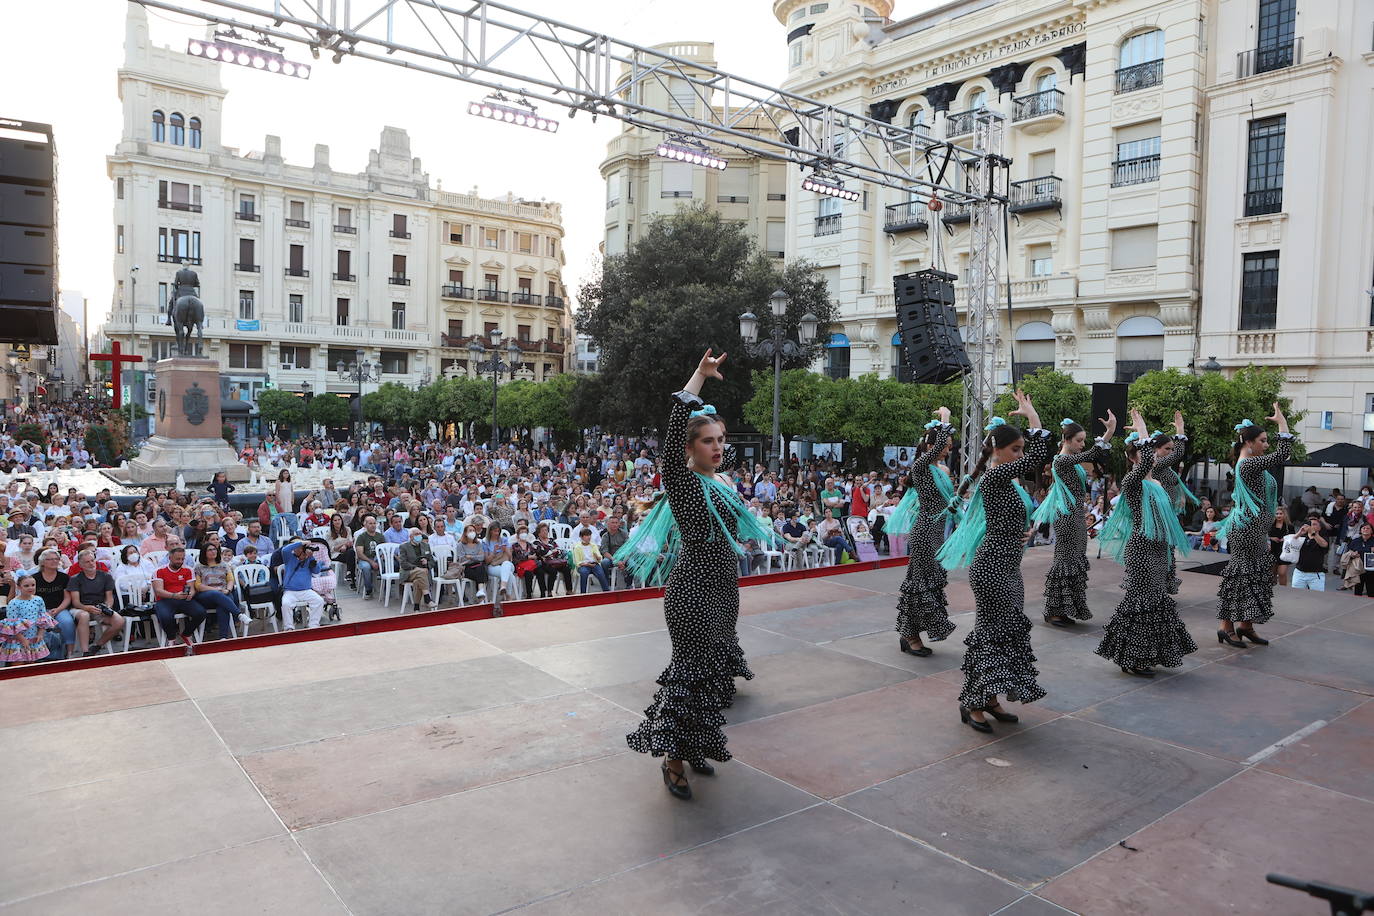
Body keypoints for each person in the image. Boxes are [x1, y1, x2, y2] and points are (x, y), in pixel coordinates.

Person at [626, 350, 777, 800]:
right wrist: (698, 378)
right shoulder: (685, 481)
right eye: (708, 441)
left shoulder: (722, 484)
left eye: (721, 439)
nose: (718, 447)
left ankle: (694, 745)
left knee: (712, 674)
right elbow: (671, 441)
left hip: (724, 591)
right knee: (690, 672)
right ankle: (672, 759)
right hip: (691, 591)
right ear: (691, 448)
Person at [938, 390, 1049, 732]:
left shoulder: (1009, 482)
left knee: (1005, 632)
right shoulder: (995, 476)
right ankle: (971, 702)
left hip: (1008, 565)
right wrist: (1033, 420)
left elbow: (1008, 517)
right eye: (1015, 449)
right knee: (990, 633)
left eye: (1021, 449)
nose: (1021, 455)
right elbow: (1040, 456)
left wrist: (1024, 533)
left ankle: (989, 698)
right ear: (998, 450)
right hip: (992, 568)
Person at [1094, 414, 1196, 677]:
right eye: (1144, 452)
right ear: (1134, 457)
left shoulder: (1158, 481)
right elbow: (1147, 461)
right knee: (1142, 601)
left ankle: (1144, 653)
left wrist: (1179, 430)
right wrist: (1142, 432)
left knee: (1155, 601)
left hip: (1159, 548)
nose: (1150, 456)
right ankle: (1131, 656)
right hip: (1142, 549)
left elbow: (1167, 458)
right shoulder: (1132, 481)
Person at [1215, 406, 1293, 647]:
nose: (1266, 445)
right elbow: (1283, 454)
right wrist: (1283, 425)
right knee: (1240, 577)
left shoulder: (1254, 463)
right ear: (1248, 443)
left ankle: (1246, 625)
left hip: (1256, 531)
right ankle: (1225, 626)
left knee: (1256, 576)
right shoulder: (1247, 465)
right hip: (1246, 530)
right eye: (1263, 440)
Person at [1033, 412, 1116, 627]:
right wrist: (1108, 432)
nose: (1082, 444)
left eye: (1083, 440)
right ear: (1067, 440)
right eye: (1078, 440)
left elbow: (1090, 456)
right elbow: (1090, 454)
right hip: (1067, 517)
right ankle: (1053, 611)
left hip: (1076, 515)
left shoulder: (1072, 462)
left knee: (1074, 560)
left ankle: (1064, 609)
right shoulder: (1061, 460)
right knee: (1065, 560)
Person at [891, 408, 960, 656]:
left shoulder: (942, 471)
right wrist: (945, 419)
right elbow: (940, 440)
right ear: (931, 443)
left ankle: (909, 633)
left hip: (938, 532)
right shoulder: (920, 466)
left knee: (928, 584)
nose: (948, 449)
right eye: (946, 445)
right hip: (924, 532)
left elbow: (947, 502)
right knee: (919, 585)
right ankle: (909, 636)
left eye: (950, 446)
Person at [66, 548, 124, 655]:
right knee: (84, 616)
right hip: (81, 607)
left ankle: (97, 645)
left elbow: (109, 598)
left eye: (92, 560)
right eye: (87, 562)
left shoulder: (105, 576)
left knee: (119, 621)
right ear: (80, 565)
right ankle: (85, 651)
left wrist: (107, 607)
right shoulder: (75, 579)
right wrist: (86, 608)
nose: (91, 563)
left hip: (99, 607)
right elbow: (76, 602)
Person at [152, 546, 205, 650]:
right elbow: (158, 591)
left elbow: (191, 588)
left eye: (182, 559)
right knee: (165, 616)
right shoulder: (159, 571)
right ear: (170, 558)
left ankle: (186, 634)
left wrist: (191, 594)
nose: (180, 561)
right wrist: (174, 595)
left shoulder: (188, 570)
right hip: (165, 599)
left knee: (201, 612)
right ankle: (171, 638)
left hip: (183, 599)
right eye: (177, 559)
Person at [193, 542, 248, 638]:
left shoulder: (223, 564)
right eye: (209, 550)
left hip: (224, 593)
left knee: (222, 606)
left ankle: (223, 638)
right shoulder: (199, 566)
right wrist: (215, 590)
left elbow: (230, 580)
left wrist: (228, 590)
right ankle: (238, 614)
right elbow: (198, 585)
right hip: (206, 595)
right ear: (204, 552)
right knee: (215, 594)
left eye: (214, 549)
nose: (213, 551)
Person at [0, 574, 57, 664]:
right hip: (18, 640)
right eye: (26, 586)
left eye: (33, 585)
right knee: (18, 665)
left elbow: (43, 618)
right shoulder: (14, 603)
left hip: (33, 638)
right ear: (19, 587)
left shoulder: (38, 600)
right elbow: (11, 626)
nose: (30, 588)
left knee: (31, 664)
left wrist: (40, 634)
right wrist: (23, 640)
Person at [279, 540, 326, 628]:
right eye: (299, 549)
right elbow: (284, 550)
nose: (302, 552)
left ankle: (313, 625)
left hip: (306, 590)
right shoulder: (289, 558)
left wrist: (311, 557)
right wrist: (301, 543)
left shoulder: (309, 559)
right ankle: (289, 627)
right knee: (285, 604)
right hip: (290, 591)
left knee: (319, 601)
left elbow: (316, 571)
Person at [396, 527, 435, 611]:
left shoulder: (426, 546)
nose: (419, 536)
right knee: (422, 572)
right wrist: (416, 568)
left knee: (418, 580)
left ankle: (416, 607)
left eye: (420, 534)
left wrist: (427, 563)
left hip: (422, 574)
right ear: (410, 536)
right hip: (408, 572)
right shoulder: (403, 547)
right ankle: (427, 598)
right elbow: (403, 563)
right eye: (416, 534)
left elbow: (432, 561)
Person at [1289, 514, 1329, 591]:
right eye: (1310, 524)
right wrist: (1300, 532)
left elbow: (1324, 544)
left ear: (1319, 528)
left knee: (1317, 598)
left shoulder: (1323, 538)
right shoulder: (1302, 537)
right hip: (1299, 573)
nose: (1311, 526)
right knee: (1296, 596)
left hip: (1315, 574)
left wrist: (1313, 534)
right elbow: (1291, 543)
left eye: (1314, 524)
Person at [480, 522, 516, 597]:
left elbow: (510, 557)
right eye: (495, 531)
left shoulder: (504, 540)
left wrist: (505, 549)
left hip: (505, 563)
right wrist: (494, 552)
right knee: (508, 574)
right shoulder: (486, 542)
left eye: (498, 531)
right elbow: (487, 561)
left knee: (506, 564)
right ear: (490, 531)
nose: (497, 533)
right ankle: (508, 596)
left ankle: (503, 586)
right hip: (492, 566)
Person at [353, 514, 382, 599]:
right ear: (365, 525)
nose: (373, 525)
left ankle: (386, 588)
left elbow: (383, 550)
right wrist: (371, 562)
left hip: (377, 558)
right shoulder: (361, 537)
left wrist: (379, 559)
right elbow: (360, 554)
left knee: (387, 564)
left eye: (374, 523)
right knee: (366, 567)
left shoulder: (380, 536)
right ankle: (369, 590)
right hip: (365, 559)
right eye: (370, 523)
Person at [1340, 522, 1374, 595]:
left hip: (1371, 570)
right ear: (1360, 530)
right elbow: (1348, 552)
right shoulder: (1355, 541)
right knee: (1358, 591)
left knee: (1371, 591)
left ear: (1372, 531)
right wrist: (1352, 554)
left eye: (1368, 528)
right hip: (1358, 568)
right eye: (1364, 528)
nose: (1366, 530)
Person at [573, 527, 610, 593]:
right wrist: (588, 564)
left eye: (589, 535)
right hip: (583, 565)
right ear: (581, 537)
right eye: (586, 535)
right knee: (584, 573)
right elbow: (577, 562)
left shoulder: (593, 545)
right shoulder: (577, 547)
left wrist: (598, 558)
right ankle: (583, 593)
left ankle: (606, 591)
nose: (588, 537)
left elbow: (600, 558)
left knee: (601, 574)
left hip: (594, 564)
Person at [1268, 507, 1296, 588]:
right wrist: (1272, 538)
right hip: (1272, 551)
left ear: (1284, 515)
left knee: (1282, 573)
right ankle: (1272, 589)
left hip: (1284, 552)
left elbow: (1293, 537)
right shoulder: (1270, 525)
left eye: (1281, 513)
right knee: (1272, 572)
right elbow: (1264, 537)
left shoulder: (1289, 526)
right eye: (1277, 514)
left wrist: (1285, 539)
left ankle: (1284, 589)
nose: (1279, 515)